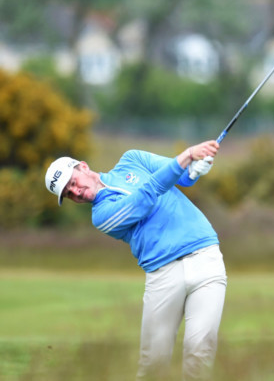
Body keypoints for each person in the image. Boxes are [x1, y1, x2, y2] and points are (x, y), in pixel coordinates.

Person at [44, 140, 226, 381]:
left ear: (84, 167)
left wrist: (195, 167)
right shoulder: (101, 216)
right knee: (153, 364)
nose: (76, 192)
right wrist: (187, 156)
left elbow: (181, 176)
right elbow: (145, 197)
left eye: (73, 183)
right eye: (68, 194)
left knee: (200, 355)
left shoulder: (132, 159)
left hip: (206, 258)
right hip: (163, 275)